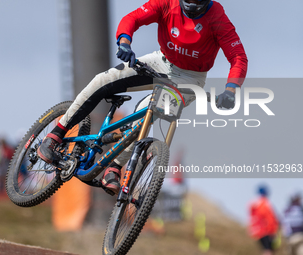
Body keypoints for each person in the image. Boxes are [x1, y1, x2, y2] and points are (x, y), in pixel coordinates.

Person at [38, 0, 248, 194]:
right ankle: (56, 133)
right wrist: (124, 42)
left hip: (190, 79)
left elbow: (238, 57)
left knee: (147, 113)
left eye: (198, 2)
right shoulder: (167, 3)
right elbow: (133, 18)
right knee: (102, 80)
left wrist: (230, 90)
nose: (192, 6)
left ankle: (114, 167)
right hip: (160, 61)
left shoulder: (217, 16)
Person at [248, 185, 279, 255]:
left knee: (265, 249)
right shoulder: (265, 203)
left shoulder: (254, 204)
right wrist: (273, 230)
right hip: (266, 231)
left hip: (257, 231)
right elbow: (270, 218)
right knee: (269, 250)